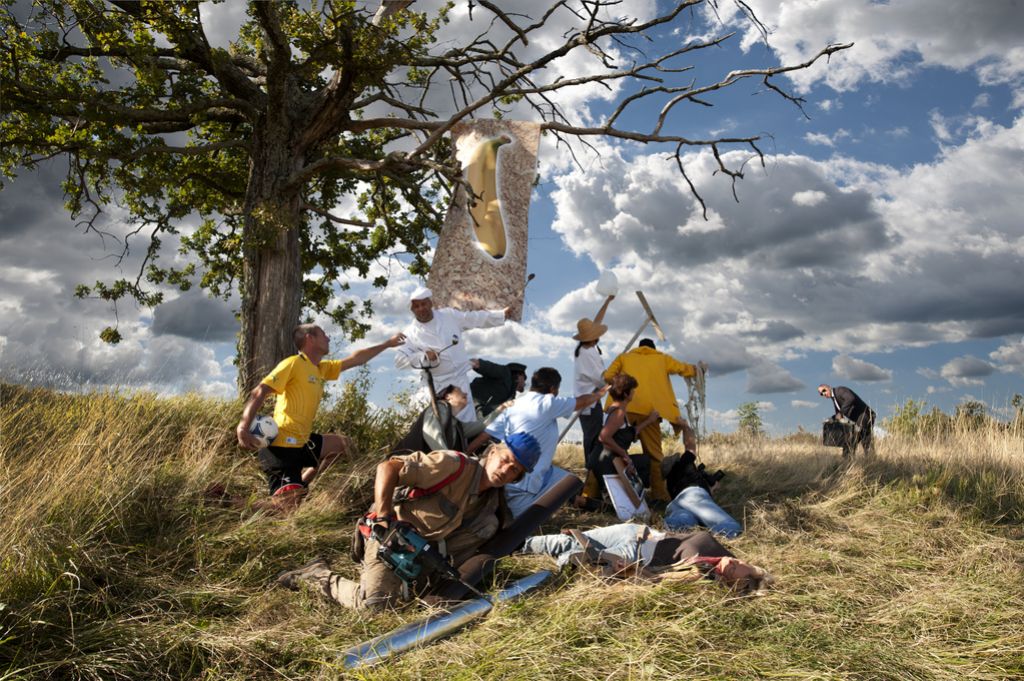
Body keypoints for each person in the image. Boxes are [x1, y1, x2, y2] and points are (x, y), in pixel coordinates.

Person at [275, 433, 541, 610]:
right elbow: (387, 468)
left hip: (425, 558)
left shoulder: (494, 506)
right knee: (374, 605)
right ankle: (316, 576)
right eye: (505, 460)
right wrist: (383, 517)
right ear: (492, 452)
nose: (506, 470)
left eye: (515, 469)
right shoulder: (452, 465)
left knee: (411, 605)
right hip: (390, 539)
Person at [235, 324, 405, 511]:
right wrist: (243, 427)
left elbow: (356, 359)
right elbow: (259, 391)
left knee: (343, 445)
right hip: (282, 447)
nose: (328, 338)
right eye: (324, 334)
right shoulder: (292, 363)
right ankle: (232, 504)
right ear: (310, 338)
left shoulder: (319, 369)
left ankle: (302, 485)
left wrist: (387, 344)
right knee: (285, 510)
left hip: (303, 443)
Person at [482, 367, 607, 517]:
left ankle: (581, 502)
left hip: (531, 471)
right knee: (515, 526)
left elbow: (486, 434)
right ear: (553, 389)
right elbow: (583, 401)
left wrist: (467, 452)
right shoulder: (547, 402)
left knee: (568, 481)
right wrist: (601, 393)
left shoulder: (514, 404)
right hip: (525, 481)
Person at [520, 523, 772, 594]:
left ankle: (538, 572)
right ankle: (513, 546)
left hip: (634, 556)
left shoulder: (705, 577)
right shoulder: (721, 555)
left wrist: (632, 573)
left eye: (740, 571)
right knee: (567, 540)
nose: (737, 563)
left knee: (572, 557)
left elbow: (658, 581)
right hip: (638, 532)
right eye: (742, 563)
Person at [603, 338, 705, 502]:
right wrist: (697, 369)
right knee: (654, 455)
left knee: (606, 451)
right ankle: (659, 495)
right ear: (654, 349)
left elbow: (608, 376)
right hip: (651, 413)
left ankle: (592, 492)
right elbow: (683, 369)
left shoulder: (624, 357)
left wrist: (623, 385)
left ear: (639, 348)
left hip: (624, 408)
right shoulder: (662, 358)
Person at [394, 286, 512, 422]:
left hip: (459, 383)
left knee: (465, 424)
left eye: (424, 304)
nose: (421, 308)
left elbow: (474, 319)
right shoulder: (410, 334)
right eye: (417, 306)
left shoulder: (449, 316)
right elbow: (399, 361)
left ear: (430, 303)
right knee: (438, 424)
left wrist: (500, 315)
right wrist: (424, 357)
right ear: (412, 310)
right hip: (435, 386)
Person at [576, 373, 659, 509]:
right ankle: (582, 502)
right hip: (605, 462)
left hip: (605, 459)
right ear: (626, 394)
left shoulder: (613, 409)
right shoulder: (619, 413)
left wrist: (649, 420)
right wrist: (624, 454)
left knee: (644, 461)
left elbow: (627, 432)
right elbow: (604, 437)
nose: (634, 393)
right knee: (619, 508)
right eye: (632, 390)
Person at [573, 294, 615, 505]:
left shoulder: (586, 348)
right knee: (592, 443)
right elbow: (601, 379)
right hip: (590, 402)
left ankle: (592, 484)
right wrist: (615, 378)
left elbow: (597, 322)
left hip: (588, 401)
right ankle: (590, 486)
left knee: (592, 441)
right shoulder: (587, 353)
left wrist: (607, 302)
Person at [391, 384, 489, 455]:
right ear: (447, 396)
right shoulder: (440, 407)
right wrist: (449, 460)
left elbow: (481, 424)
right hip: (403, 464)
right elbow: (431, 432)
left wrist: (502, 409)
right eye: (460, 390)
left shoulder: (456, 423)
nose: (465, 393)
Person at [662, 451, 742, 538]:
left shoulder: (670, 483)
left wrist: (709, 490)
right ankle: (707, 541)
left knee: (686, 522)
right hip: (694, 495)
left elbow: (691, 504)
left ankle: (659, 527)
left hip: (675, 504)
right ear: (676, 463)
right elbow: (689, 452)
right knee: (732, 527)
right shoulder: (684, 464)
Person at [818, 384, 876, 456]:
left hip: (864, 416)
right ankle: (873, 462)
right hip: (866, 417)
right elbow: (839, 415)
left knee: (849, 442)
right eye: (821, 394)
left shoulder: (840, 390)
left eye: (824, 390)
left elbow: (851, 398)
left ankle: (847, 464)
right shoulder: (834, 398)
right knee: (867, 443)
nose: (823, 394)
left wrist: (841, 413)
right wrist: (831, 419)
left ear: (828, 387)